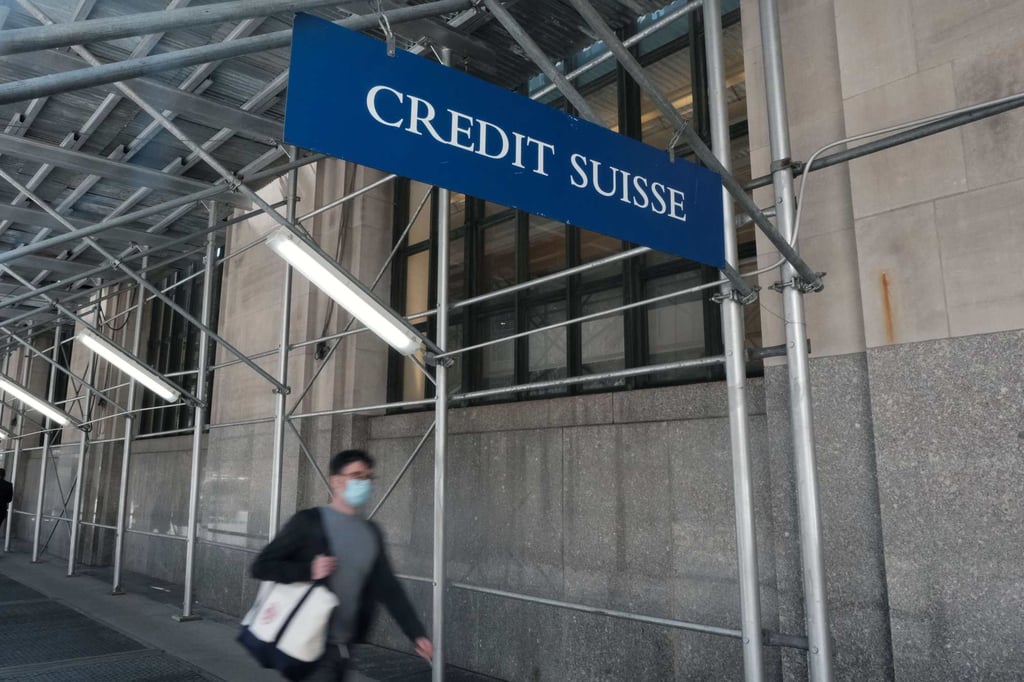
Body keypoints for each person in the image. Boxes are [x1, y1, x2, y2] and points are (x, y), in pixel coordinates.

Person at [251, 449, 432, 680]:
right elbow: (262, 566)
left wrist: (416, 633)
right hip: (309, 644)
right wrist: (308, 570)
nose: (364, 483)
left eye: (368, 477)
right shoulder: (308, 522)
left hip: (346, 647)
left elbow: (389, 588)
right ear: (336, 481)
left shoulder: (371, 532)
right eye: (357, 476)